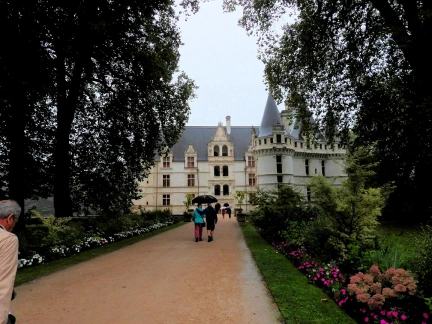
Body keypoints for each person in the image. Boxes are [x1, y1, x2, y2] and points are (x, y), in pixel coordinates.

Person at [0, 200, 21, 324]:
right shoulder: (8, 239)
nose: (13, 227)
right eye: (15, 222)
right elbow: (3, 281)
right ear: (10, 218)